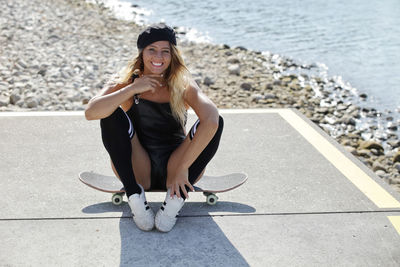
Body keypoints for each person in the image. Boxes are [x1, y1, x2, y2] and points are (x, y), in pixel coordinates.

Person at [85, 24, 223, 232]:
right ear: (142, 53)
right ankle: (134, 195)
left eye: (165, 51)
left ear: (172, 55)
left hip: (176, 171)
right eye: (152, 50)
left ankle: (174, 201)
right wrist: (133, 88)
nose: (158, 56)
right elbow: (91, 112)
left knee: (215, 120)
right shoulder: (127, 81)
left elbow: (212, 120)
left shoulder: (183, 83)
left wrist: (183, 168)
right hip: (138, 168)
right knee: (109, 110)